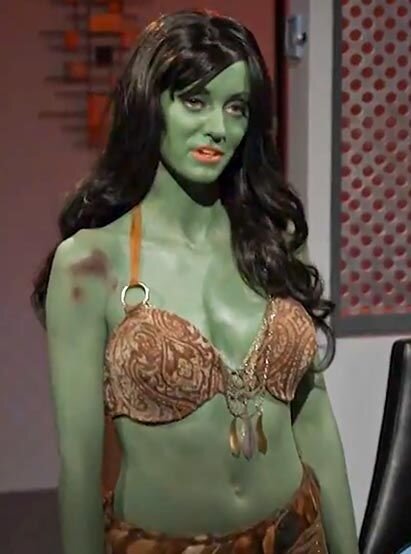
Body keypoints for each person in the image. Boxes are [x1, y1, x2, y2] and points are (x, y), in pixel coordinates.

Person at [32, 9, 359, 554]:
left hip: (298, 534)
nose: (218, 128)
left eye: (236, 108)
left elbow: (315, 420)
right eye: (195, 101)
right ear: (151, 105)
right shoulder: (91, 264)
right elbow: (80, 469)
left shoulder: (272, 239)